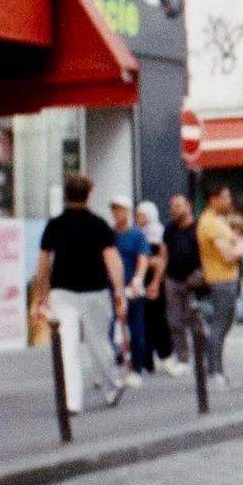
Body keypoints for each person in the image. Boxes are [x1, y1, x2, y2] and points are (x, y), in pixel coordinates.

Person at [33, 174, 127, 411]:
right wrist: (119, 293)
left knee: (67, 347)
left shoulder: (54, 225)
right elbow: (113, 262)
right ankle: (113, 384)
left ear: (66, 195)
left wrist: (39, 296)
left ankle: (72, 401)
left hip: (62, 292)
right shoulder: (99, 224)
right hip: (95, 291)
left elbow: (43, 264)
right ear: (89, 195)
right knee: (99, 344)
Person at [195, 184, 243, 384]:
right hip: (221, 280)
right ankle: (215, 373)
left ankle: (217, 371)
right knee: (219, 325)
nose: (229, 201)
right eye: (225, 198)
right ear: (213, 199)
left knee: (223, 325)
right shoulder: (210, 224)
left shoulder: (218, 222)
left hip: (226, 279)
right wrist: (240, 247)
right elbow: (230, 255)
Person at [110, 195, 154, 386]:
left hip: (131, 287)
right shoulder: (110, 234)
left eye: (120, 209)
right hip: (111, 287)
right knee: (108, 329)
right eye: (114, 209)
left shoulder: (137, 235)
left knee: (136, 330)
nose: (116, 213)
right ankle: (108, 369)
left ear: (127, 212)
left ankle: (136, 369)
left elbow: (143, 258)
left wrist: (138, 279)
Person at [159, 194, 203, 377]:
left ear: (188, 206)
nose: (173, 210)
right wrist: (157, 280)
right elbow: (163, 255)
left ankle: (203, 355)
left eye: (177, 206)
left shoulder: (198, 227)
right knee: (174, 321)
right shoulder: (170, 229)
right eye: (172, 207)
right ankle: (184, 358)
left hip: (193, 278)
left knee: (194, 318)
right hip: (172, 278)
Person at [137, 200, 171, 367]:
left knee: (157, 317)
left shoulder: (158, 232)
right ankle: (147, 357)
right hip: (142, 279)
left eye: (142, 215)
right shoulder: (138, 232)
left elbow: (160, 258)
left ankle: (164, 353)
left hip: (155, 279)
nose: (138, 218)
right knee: (145, 318)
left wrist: (145, 261)